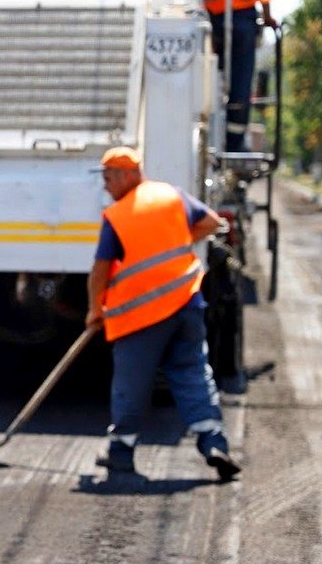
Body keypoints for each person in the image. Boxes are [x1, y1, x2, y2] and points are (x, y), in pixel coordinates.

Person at [85, 146, 241, 482]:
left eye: (109, 178)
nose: (105, 186)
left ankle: (121, 452)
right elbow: (211, 223)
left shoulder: (118, 216)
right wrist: (179, 243)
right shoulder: (172, 196)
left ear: (129, 175)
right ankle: (213, 442)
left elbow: (100, 271)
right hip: (187, 305)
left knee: (131, 383)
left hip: (141, 315)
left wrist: (95, 310)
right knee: (193, 373)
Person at [204, 0, 279, 153]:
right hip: (242, 23)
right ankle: (234, 142)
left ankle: (210, 127)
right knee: (241, 82)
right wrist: (268, 17)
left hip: (215, 21)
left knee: (212, 76)